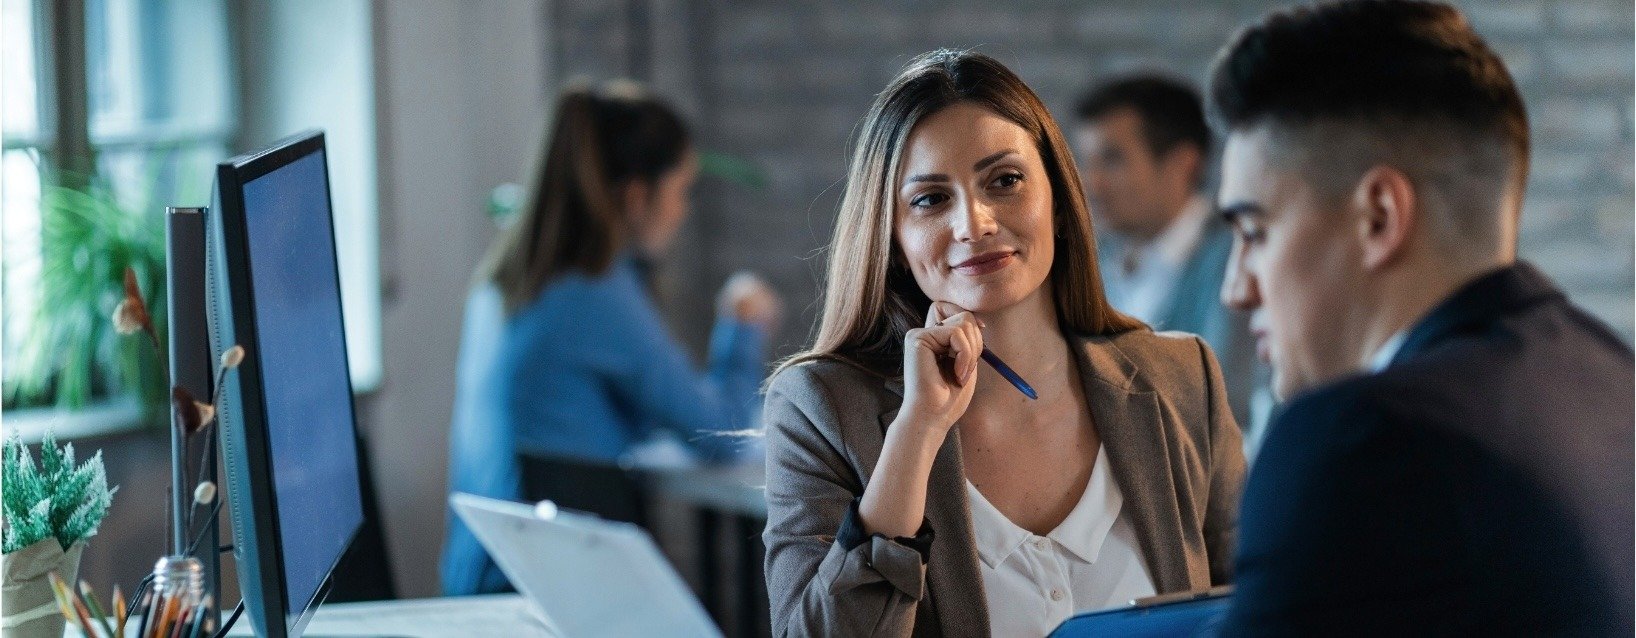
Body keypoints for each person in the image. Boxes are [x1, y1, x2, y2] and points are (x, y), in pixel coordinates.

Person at [761, 49, 1245, 637]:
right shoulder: (820, 409)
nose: (975, 223)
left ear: (1060, 201)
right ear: (892, 236)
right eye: (930, 199)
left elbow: (1255, 611)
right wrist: (915, 434)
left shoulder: (1182, 378)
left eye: (1005, 181)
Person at [1206, 1, 1634, 634]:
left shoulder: (1362, 440)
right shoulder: (1610, 372)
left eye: (1255, 231)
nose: (1235, 290)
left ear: (1378, 216)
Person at [441, 81, 782, 595]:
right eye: (681, 192)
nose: (683, 211)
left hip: (480, 580)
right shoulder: (593, 292)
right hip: (546, 593)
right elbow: (718, 432)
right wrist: (742, 327)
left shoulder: (504, 281)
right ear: (638, 197)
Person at [1072, 75, 1269, 454]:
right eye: (1085, 161)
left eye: (1112, 160)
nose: (1090, 183)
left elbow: (1230, 404)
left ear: (1183, 164)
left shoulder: (1241, 259)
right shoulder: (1091, 263)